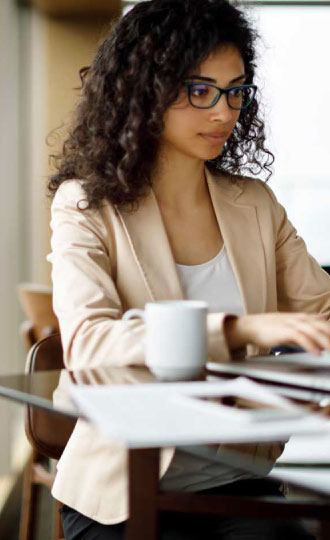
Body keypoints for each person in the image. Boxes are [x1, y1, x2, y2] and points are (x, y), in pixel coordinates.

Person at [47, 0, 330, 538]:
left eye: (235, 91)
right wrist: (238, 330)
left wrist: (306, 366)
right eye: (199, 90)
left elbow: (322, 311)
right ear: (142, 90)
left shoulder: (256, 203)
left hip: (240, 482)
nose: (224, 112)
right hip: (122, 492)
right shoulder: (85, 204)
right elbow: (88, 342)